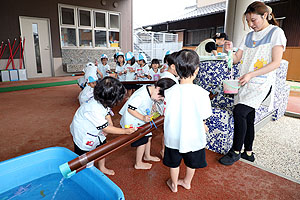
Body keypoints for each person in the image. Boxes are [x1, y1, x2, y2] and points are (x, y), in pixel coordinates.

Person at [219, 1, 286, 166]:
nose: (250, 24)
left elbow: (276, 63)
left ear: (265, 16)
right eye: (248, 21)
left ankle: (235, 151)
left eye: (253, 20)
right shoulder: (248, 36)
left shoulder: (276, 32)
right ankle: (248, 152)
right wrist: (229, 51)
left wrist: (251, 74)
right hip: (245, 82)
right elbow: (235, 60)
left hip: (261, 84)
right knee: (248, 117)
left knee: (239, 112)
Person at [163, 49, 212, 193]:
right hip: (194, 137)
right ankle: (187, 182)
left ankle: (174, 185)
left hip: (173, 136)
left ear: (176, 70)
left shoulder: (169, 92)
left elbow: (165, 112)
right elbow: (205, 114)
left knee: (174, 163)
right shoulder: (202, 93)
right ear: (197, 70)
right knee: (192, 162)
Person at [70, 77, 136, 175]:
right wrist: (126, 131)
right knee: (84, 157)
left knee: (102, 148)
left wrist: (110, 121)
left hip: (96, 130)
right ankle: (84, 172)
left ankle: (102, 167)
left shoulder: (101, 99)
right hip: (84, 134)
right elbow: (106, 128)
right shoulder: (93, 109)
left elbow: (106, 111)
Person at [119, 78, 176, 170]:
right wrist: (143, 117)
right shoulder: (141, 95)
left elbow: (148, 102)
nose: (160, 100)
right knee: (143, 139)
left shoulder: (150, 90)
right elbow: (130, 109)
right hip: (133, 120)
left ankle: (147, 155)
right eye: (160, 97)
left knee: (148, 136)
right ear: (157, 89)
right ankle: (138, 163)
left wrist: (152, 106)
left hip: (140, 118)